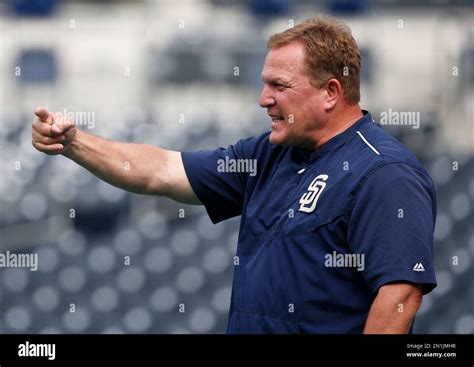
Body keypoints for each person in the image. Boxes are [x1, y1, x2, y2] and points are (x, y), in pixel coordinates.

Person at [32, 15, 437, 334]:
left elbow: (400, 294)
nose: (264, 99)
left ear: (331, 92)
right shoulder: (268, 154)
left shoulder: (385, 172)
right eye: (264, 84)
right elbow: (162, 171)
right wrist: (74, 143)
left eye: (279, 85)